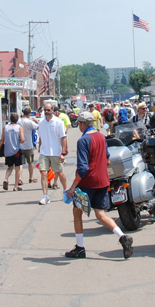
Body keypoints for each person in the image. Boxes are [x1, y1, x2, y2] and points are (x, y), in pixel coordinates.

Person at [64, 112, 134, 260]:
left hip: (87, 183)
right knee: (101, 214)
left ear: (82, 124)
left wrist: (72, 188)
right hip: (102, 181)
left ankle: (80, 247)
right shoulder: (101, 137)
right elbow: (107, 160)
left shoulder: (83, 141)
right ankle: (122, 237)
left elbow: (83, 169)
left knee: (77, 212)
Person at [36, 101, 68, 205]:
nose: (46, 112)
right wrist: (40, 147)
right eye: (45, 110)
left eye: (48, 110)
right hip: (44, 152)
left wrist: (63, 152)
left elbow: (63, 137)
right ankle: (45, 196)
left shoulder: (58, 122)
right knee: (43, 173)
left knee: (59, 172)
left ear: (53, 110)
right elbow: (41, 136)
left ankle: (66, 190)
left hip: (55, 152)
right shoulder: (41, 122)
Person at [1, 112, 24, 191]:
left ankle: (6, 179)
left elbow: (2, 140)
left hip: (8, 150)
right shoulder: (19, 128)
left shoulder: (5, 128)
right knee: (17, 168)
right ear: (17, 119)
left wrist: (0, 149)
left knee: (10, 167)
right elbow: (22, 139)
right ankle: (16, 186)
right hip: (16, 150)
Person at [18, 107, 39, 185]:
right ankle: (30, 177)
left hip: (20, 145)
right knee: (30, 162)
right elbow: (38, 127)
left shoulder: (18, 121)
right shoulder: (29, 122)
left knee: (20, 163)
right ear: (29, 114)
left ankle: (19, 178)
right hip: (28, 145)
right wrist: (36, 121)